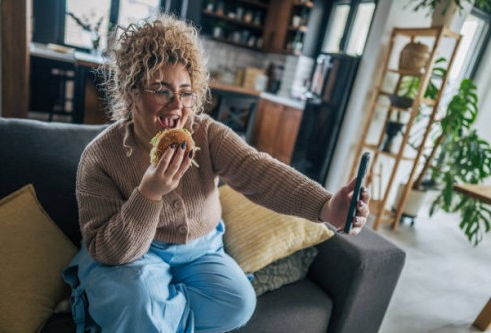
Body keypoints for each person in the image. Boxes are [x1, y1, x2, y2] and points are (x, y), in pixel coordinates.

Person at [63, 13, 371, 333]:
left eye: (185, 92)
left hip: (201, 250)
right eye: (161, 90)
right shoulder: (100, 157)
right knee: (138, 299)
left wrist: (325, 205)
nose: (177, 106)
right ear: (132, 93)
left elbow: (259, 171)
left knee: (238, 304)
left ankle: (155, 315)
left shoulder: (205, 134)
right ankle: (130, 306)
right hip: (135, 257)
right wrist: (148, 194)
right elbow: (108, 252)